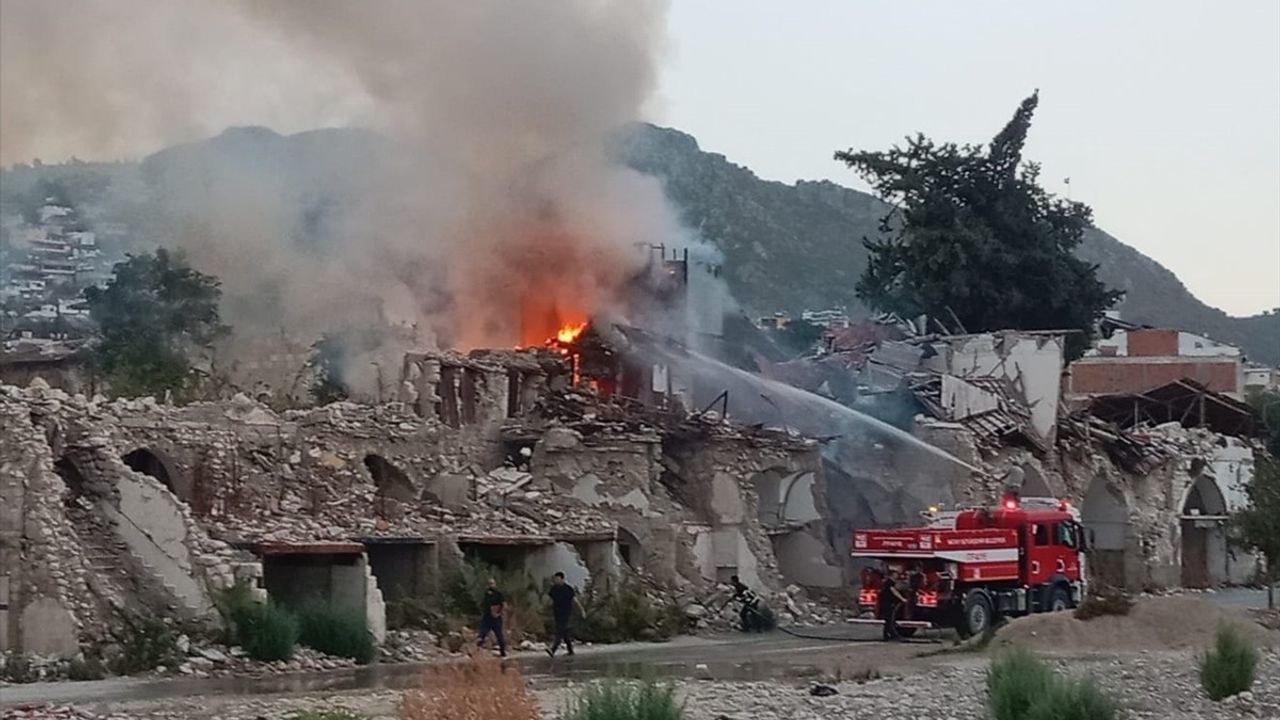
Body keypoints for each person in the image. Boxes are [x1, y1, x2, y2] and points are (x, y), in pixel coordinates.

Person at [546, 571, 583, 657]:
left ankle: (553, 649)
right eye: (555, 579)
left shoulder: (568, 589)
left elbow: (575, 600)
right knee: (565, 633)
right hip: (557, 613)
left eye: (557, 579)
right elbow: (549, 600)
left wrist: (582, 610)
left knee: (559, 631)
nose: (556, 580)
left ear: (562, 579)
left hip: (567, 613)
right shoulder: (554, 589)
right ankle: (570, 651)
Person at [476, 577, 507, 657]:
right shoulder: (486, 594)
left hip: (496, 618)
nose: (491, 585)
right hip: (487, 617)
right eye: (489, 584)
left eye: (492, 583)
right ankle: (477, 652)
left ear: (495, 584)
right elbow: (484, 605)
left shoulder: (498, 594)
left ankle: (503, 652)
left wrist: (498, 613)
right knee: (482, 634)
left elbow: (504, 605)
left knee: (499, 635)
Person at [881, 570, 908, 641]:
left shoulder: (888, 582)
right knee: (890, 620)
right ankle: (893, 635)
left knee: (888, 620)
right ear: (892, 575)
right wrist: (902, 599)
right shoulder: (889, 582)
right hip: (889, 603)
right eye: (896, 575)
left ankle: (886, 635)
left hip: (886, 603)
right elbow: (894, 591)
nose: (897, 576)